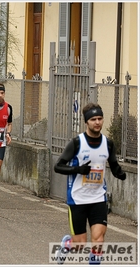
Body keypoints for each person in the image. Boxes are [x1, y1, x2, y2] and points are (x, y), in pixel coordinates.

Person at [53, 103, 126, 265]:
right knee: (80, 244)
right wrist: (78, 169)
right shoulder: (77, 143)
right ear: (86, 122)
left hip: (98, 198)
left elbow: (114, 165)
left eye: (100, 118)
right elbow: (58, 166)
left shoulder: (108, 144)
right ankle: (67, 244)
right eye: (93, 119)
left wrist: (120, 173)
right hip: (78, 199)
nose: (97, 122)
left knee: (98, 240)